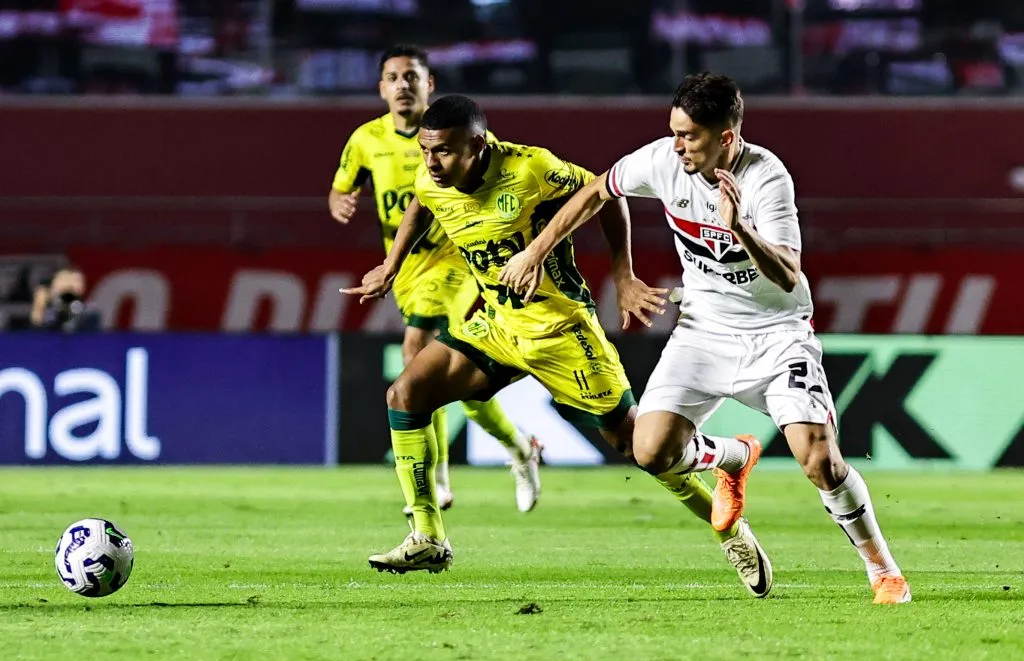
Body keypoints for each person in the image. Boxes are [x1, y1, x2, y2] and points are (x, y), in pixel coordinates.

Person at [500, 72, 910, 605]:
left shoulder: (766, 178)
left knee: (820, 461)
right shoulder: (663, 161)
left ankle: (883, 571)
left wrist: (739, 227)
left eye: (690, 135)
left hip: (776, 335)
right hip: (703, 331)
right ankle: (732, 457)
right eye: (673, 131)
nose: (677, 145)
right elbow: (598, 191)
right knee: (649, 451)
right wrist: (554, 258)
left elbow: (788, 274)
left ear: (727, 138)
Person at [343, 95, 774, 598]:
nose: (430, 164)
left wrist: (624, 274)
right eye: (425, 151)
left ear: (478, 145)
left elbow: (605, 194)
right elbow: (421, 202)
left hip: (562, 332)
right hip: (499, 324)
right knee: (406, 394)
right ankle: (428, 536)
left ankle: (730, 520)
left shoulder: (532, 169)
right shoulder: (431, 175)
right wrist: (393, 263)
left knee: (640, 448)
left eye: (443, 152)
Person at [329, 44, 542, 513]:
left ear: (430, 85)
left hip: (465, 260)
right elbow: (340, 188)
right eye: (393, 76)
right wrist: (340, 202)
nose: (402, 84)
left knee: (416, 350)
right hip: (409, 270)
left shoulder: (460, 133)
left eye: (412, 76)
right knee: (460, 384)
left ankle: (438, 480)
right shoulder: (366, 139)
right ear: (381, 87)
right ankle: (521, 449)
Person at [31, 267, 103, 333]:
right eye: (64, 280)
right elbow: (37, 327)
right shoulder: (45, 308)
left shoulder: (90, 311)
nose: (69, 285)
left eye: (76, 281)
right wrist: (40, 307)